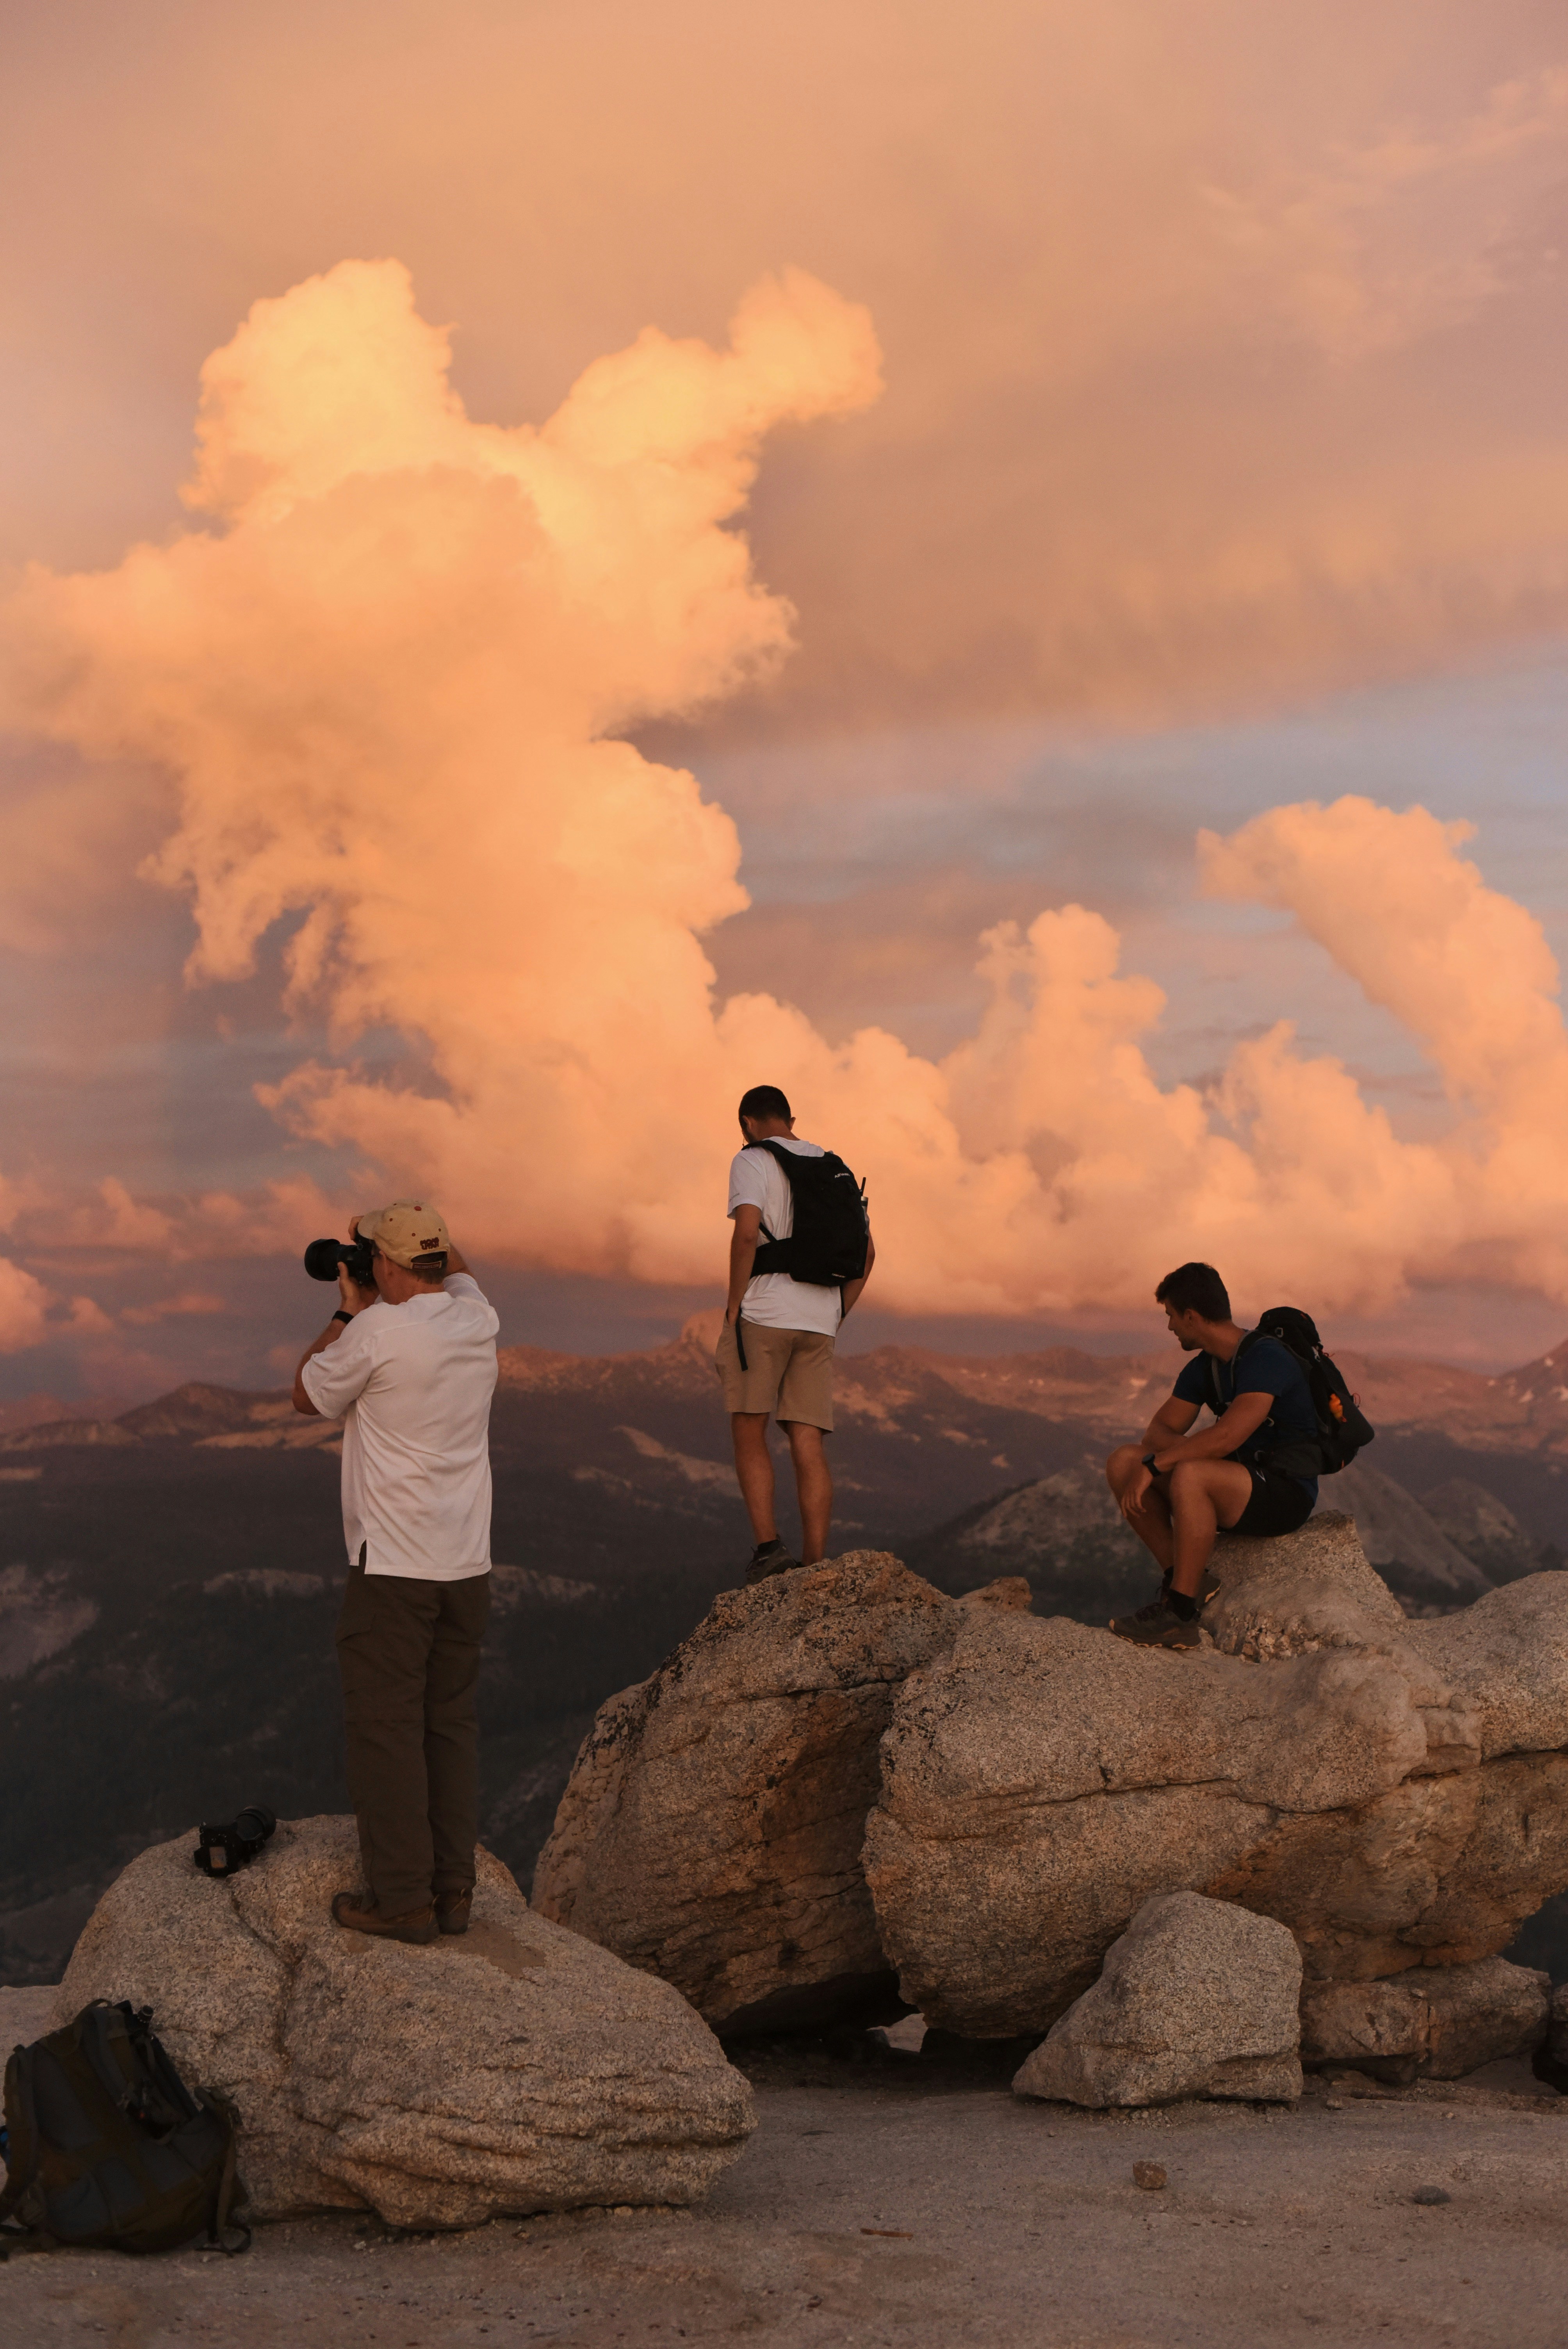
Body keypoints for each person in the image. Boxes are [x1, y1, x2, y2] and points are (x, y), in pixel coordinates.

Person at [292, 1199, 499, 1943]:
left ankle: (402, 1901)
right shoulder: (478, 1319)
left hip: (393, 1568)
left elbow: (306, 1390)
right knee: (448, 1727)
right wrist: (427, 1225)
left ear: (382, 1264)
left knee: (384, 1731)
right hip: (466, 1564)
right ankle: (453, 1893)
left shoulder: (377, 1331)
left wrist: (348, 1311)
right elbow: (462, 1276)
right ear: (439, 1260)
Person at [1103, 1261, 1319, 1652]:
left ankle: (1180, 1615)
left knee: (1189, 1473)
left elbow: (1226, 1436)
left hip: (1285, 1493)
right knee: (1123, 1461)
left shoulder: (1266, 1358)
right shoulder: (1205, 1368)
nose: (1169, 1326)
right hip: (1234, 1483)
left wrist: (1160, 1464)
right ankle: (1183, 1576)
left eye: (1170, 1315)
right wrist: (1159, 1460)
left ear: (1191, 1315)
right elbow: (1155, 1433)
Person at [716, 1085, 875, 1581]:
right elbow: (867, 1256)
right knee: (807, 1439)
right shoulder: (833, 1166)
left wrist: (735, 1303)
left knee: (748, 1426)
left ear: (747, 1122)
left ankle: (769, 1549)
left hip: (765, 1310)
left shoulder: (752, 1160)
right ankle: (816, 1562)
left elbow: (747, 1232)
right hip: (819, 1316)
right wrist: (835, 1313)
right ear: (791, 1118)